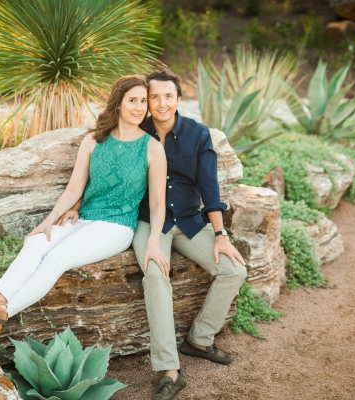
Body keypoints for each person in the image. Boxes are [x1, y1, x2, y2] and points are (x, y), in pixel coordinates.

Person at [0, 75, 168, 341]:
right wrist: (50, 220)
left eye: (143, 101)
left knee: (56, 259)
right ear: (118, 103)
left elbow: (157, 203)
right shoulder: (94, 141)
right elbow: (74, 189)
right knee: (37, 242)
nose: (139, 107)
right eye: (133, 100)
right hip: (84, 218)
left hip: (117, 227)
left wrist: (153, 241)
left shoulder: (152, 148)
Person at [132, 71, 248, 400]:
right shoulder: (136, 132)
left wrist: (220, 233)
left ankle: (199, 340)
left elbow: (210, 186)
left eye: (168, 96)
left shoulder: (198, 134)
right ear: (148, 100)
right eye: (154, 97)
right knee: (155, 273)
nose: (161, 103)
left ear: (178, 100)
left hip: (190, 219)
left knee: (234, 269)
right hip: (149, 221)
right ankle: (170, 370)